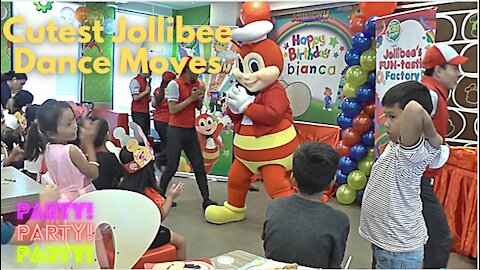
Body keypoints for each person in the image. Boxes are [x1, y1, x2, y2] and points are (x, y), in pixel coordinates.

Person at [359, 81, 444, 269]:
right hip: (387, 242)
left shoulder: (412, 153)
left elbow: (414, 108)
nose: (386, 122)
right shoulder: (398, 144)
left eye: (392, 116)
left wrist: (433, 135)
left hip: (398, 250)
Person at [262, 142, 349, 268]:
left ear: (292, 178)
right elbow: (334, 263)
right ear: (332, 182)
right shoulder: (339, 220)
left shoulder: (275, 206)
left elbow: (268, 246)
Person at [420, 44, 469, 268]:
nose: (459, 74)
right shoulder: (429, 96)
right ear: (438, 70)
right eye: (454, 68)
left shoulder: (433, 94)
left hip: (419, 178)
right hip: (416, 180)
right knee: (440, 239)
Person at [159, 57, 217, 210]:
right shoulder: (174, 85)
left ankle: (206, 199)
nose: (197, 75)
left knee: (199, 166)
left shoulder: (196, 84)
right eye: (195, 71)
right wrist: (191, 98)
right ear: (187, 69)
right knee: (171, 166)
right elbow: (173, 110)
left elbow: (197, 107)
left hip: (190, 130)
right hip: (175, 130)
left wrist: (200, 97)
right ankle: (159, 197)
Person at [117, 144, 186, 260]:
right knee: (181, 242)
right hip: (144, 236)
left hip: (124, 235)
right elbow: (161, 216)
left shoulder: (121, 185)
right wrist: (170, 197)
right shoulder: (147, 192)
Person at [23, 100, 99, 202]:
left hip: (61, 200)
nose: (75, 125)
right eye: (68, 124)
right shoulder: (71, 150)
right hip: (79, 200)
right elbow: (93, 173)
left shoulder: (48, 148)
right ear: (51, 134)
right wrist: (89, 144)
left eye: (73, 119)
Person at [88, 116, 124, 190]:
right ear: (107, 135)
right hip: (108, 197)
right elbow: (124, 175)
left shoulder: (81, 157)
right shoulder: (109, 159)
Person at [152, 71, 176, 170]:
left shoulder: (158, 90)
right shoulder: (174, 91)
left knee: (163, 142)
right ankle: (160, 160)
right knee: (170, 143)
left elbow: (153, 104)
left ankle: (163, 163)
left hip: (157, 120)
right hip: (168, 120)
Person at [130, 68, 152, 136]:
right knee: (140, 135)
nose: (151, 74)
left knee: (146, 133)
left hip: (145, 111)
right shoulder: (135, 81)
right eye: (150, 72)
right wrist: (146, 92)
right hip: (138, 112)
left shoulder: (146, 82)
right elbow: (135, 97)